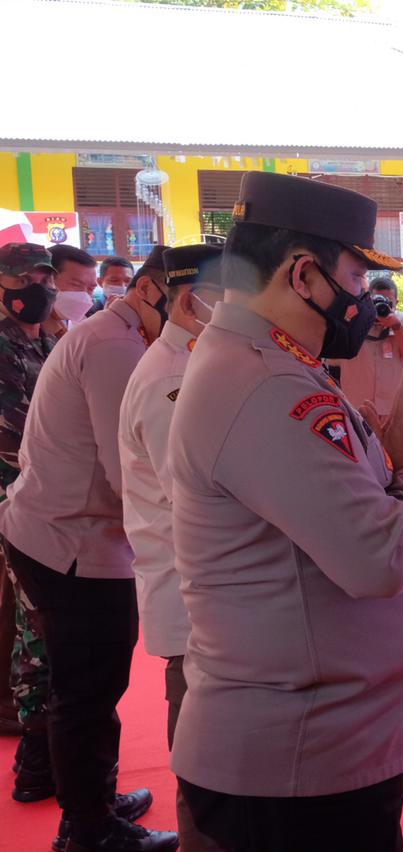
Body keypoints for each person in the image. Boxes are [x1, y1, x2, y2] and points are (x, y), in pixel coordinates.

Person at [167, 171, 403, 852]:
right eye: (358, 277)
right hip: (297, 772)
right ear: (304, 276)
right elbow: (378, 557)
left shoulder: (272, 363)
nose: (367, 299)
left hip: (317, 752)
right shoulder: (264, 381)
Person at [0, 242, 174, 851]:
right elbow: (131, 472)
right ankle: (88, 829)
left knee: (83, 683)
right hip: (73, 542)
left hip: (64, 530)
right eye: (194, 301)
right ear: (152, 291)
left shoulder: (117, 335)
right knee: (89, 688)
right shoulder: (114, 348)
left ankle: (90, 795)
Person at [119, 245, 225, 762]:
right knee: (200, 737)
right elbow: (190, 492)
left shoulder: (198, 361)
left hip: (206, 580)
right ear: (189, 302)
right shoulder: (172, 379)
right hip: (189, 583)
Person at [0, 244, 59, 802]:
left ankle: (47, 754)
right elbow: (17, 424)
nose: (36, 286)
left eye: (43, 276)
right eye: (25, 277)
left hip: (49, 495)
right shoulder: (1, 344)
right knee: (36, 618)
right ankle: (37, 757)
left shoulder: (47, 338)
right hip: (15, 496)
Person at [326, 275, 403, 418]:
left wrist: (396, 327)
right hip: (356, 405)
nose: (381, 307)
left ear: (397, 302)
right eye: (376, 301)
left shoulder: (401, 321)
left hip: (392, 407)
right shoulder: (353, 320)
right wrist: (357, 320)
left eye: (389, 302)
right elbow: (333, 359)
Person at [49, 244, 98, 336]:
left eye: (91, 288)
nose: (84, 295)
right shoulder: (28, 331)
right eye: (76, 285)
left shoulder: (81, 327)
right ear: (47, 280)